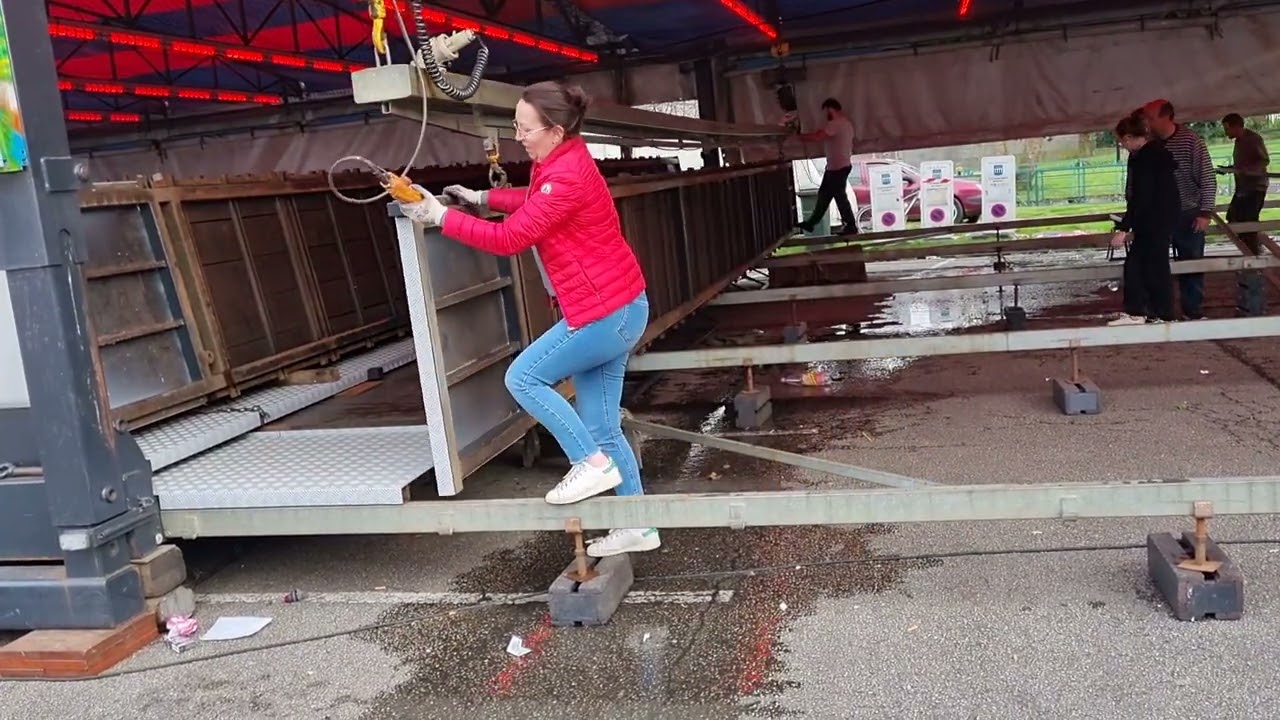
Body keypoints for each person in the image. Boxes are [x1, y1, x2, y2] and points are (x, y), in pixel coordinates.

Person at [396, 81, 659, 558]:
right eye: (515, 124)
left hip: (604, 313)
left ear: (555, 130)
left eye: (525, 127)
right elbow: (534, 202)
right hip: (619, 307)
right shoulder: (562, 161)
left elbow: (511, 240)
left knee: (523, 377)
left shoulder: (566, 177)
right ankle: (638, 526)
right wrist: (481, 197)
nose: (518, 135)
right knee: (602, 424)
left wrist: (439, 217)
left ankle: (589, 463)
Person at [1141, 99, 1216, 320]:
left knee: (1191, 262)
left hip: (1187, 211)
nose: (1147, 122)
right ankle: (1159, 310)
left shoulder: (1191, 140)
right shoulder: (1147, 144)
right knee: (1154, 263)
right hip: (1157, 214)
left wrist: (1205, 212)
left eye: (1151, 118)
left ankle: (1192, 309)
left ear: (1166, 117)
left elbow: (1207, 177)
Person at [1108, 111, 1180, 325]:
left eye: (1122, 142)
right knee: (1153, 265)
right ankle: (1158, 312)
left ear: (1129, 138)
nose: (1123, 146)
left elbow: (1142, 195)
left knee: (1141, 265)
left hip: (1153, 219)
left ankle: (1140, 312)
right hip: (1161, 217)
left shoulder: (1145, 159)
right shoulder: (1156, 154)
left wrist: (1125, 227)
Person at [794, 98, 857, 235]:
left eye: (826, 112)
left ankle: (850, 226)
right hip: (837, 166)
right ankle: (811, 223)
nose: (826, 116)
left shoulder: (836, 124)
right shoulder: (846, 124)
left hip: (837, 167)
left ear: (830, 109)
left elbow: (817, 136)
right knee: (825, 195)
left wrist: (799, 137)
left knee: (838, 197)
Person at [1221, 113, 1271, 254]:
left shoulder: (1253, 139)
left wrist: (1246, 170)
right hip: (1243, 187)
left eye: (1227, 129)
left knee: (1248, 222)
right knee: (1233, 216)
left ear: (1236, 126)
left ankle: (1254, 253)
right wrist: (1230, 169)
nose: (1225, 133)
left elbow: (1263, 160)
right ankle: (1252, 247)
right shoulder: (1239, 141)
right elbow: (1242, 164)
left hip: (1255, 187)